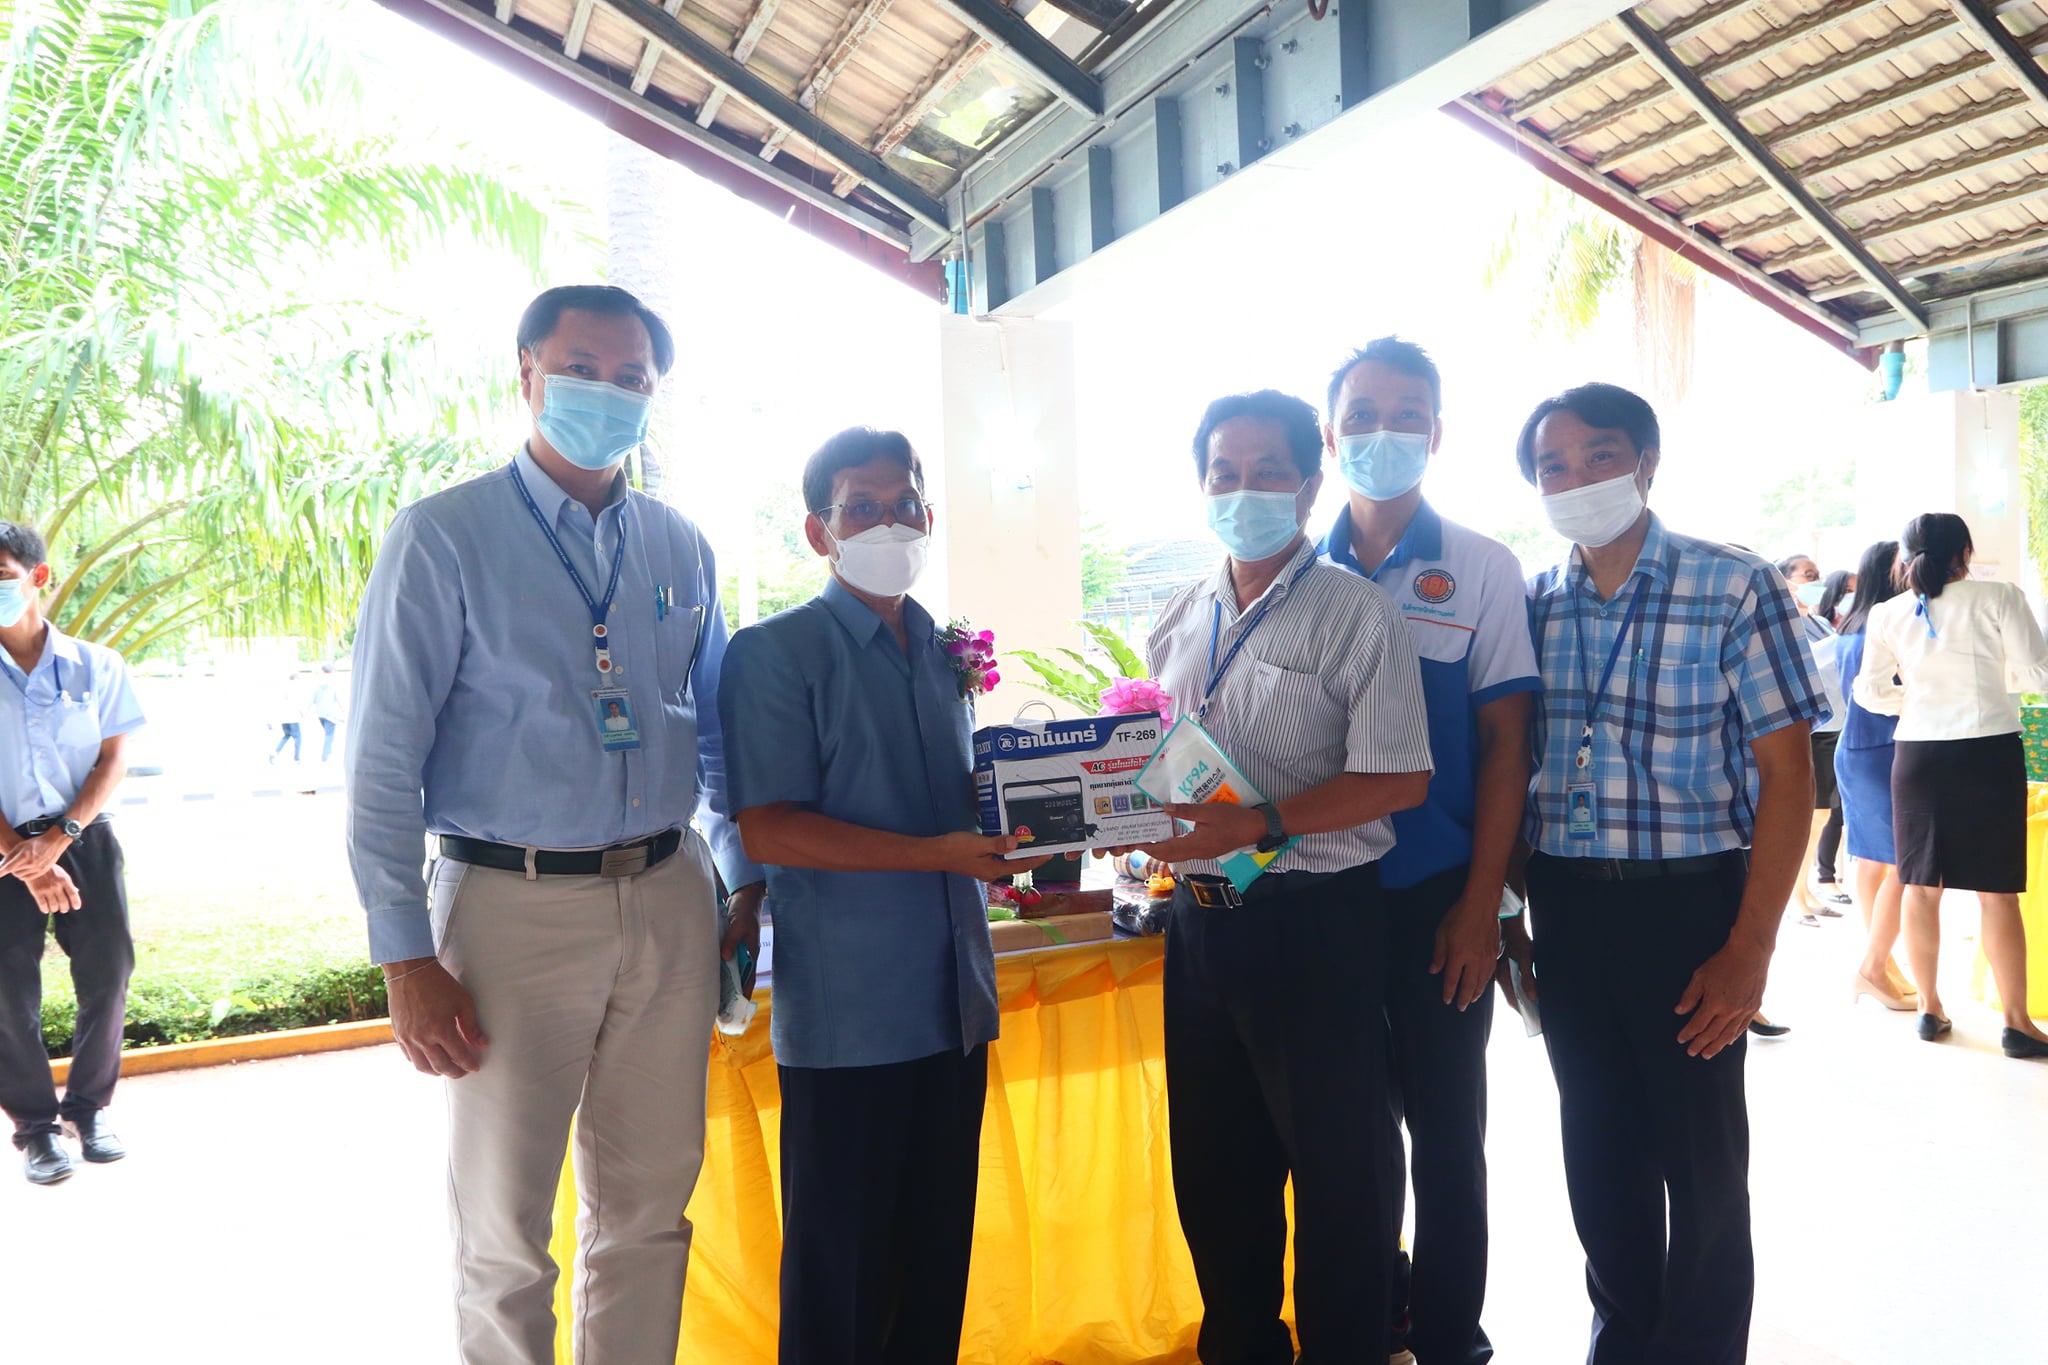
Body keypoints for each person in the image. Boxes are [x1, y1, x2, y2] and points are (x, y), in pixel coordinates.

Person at [346, 284, 763, 1362]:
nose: (607, 393)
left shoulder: (678, 545)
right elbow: (382, 762)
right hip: (508, 904)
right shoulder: (444, 536)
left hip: (669, 896)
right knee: (504, 1230)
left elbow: (716, 731)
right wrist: (406, 959)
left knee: (649, 1208)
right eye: (582, 369)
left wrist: (742, 878)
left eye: (632, 379)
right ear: (526, 374)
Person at [1506, 383, 1825, 1365]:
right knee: (1597, 1153)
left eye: (1598, 456)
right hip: (1565, 906)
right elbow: (1512, 766)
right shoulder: (1533, 602)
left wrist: (1750, 948)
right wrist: (1513, 911)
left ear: (1645, 463)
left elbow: (1789, 775)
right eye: (1552, 466)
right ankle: (1622, 1342)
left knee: (1700, 1162)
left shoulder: (1732, 584)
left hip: (1690, 907)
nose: (1575, 479)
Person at [719, 427, 1049, 1365]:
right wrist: (939, 853)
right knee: (843, 1279)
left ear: (930, 516)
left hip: (953, 1006)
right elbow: (770, 830)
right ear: (819, 532)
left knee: (935, 1264)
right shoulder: (775, 653)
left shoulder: (944, 653)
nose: (888, 522)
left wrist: (1034, 827)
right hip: (852, 1021)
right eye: (860, 507)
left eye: (904, 503)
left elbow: (955, 805)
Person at [1138, 389, 1432, 1365]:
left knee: (1341, 1173)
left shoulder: (1357, 611)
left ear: (1309, 485)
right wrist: (1127, 820)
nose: (1244, 489)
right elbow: (1162, 758)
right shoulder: (1179, 614)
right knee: (1215, 1169)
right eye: (1224, 472)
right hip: (1201, 923)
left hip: (1315, 922)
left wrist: (1260, 821)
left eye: (1268, 471)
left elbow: (1399, 776)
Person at [1317, 338, 1538, 1365]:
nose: (1383, 432)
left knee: (1447, 1139)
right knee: (1344, 1144)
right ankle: (1370, 1328)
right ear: (1330, 436)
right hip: (1318, 900)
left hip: (1436, 897)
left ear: (1437, 433)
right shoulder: (1293, 572)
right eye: (1361, 414)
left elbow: (1505, 748)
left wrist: (1483, 904)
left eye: (1406, 413)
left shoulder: (1482, 568)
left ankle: (1451, 1340)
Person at [1854, 512, 2048, 1058]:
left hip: (1917, 754)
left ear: (1905, 556)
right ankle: (2016, 1024)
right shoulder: (1999, 597)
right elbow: (2038, 674)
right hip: (1988, 751)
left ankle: (1929, 1008)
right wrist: (1992, 681)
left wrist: (1916, 701)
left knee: (1920, 886)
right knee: (1998, 891)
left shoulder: (1889, 612)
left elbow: (1869, 691)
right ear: (1966, 551)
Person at [0, 521, 146, 1185]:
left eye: (1, 576)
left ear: (38, 577)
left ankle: (88, 1110)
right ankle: (35, 1129)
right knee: (8, 993)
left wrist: (60, 838)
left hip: (85, 837)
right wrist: (25, 859)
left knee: (109, 973)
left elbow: (113, 760)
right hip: (3, 849)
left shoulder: (97, 665)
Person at [1833, 539, 1916, 1011]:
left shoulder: (1851, 626)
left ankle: (1880, 961)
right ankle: (1875, 965)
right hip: (1885, 748)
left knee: (1871, 861)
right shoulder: (1889, 626)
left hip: (1857, 748)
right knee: (1907, 863)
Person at [1778, 553, 1847, 921]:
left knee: (1822, 817)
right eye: (1807, 575)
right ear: (1786, 581)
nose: (1816, 580)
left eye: (1817, 574)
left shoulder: (1819, 622)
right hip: (1811, 729)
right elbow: (1802, 666)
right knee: (1812, 816)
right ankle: (1796, 896)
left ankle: (1805, 891)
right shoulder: (1783, 623)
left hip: (1835, 724)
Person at [309, 662, 346, 762]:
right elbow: (339, 697)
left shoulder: (317, 682)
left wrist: (306, 711)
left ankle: (328, 751)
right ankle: (325, 756)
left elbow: (312, 698)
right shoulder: (334, 682)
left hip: (320, 713)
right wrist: (343, 709)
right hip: (331, 714)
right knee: (329, 735)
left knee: (327, 732)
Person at [270, 671, 303, 764]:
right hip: (293, 717)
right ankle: (297, 759)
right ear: (295, 679)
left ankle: (275, 752)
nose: (299, 681)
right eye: (298, 679)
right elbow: (296, 703)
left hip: (284, 718)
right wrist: (302, 713)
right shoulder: (294, 688)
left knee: (287, 735)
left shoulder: (284, 687)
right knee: (298, 738)